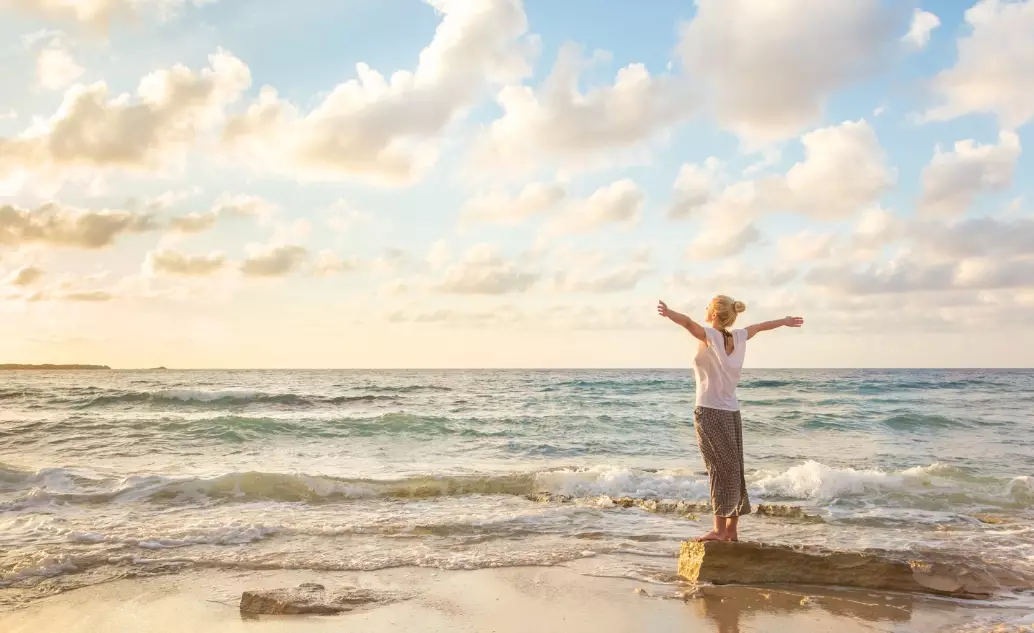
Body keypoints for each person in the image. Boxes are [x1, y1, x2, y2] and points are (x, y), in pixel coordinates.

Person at [657, 296, 803, 542]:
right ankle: (731, 531)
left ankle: (719, 530)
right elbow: (761, 326)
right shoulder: (739, 336)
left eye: (707, 307)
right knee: (734, 470)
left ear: (714, 313)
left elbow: (687, 323)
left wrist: (669, 312)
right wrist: (785, 321)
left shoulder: (710, 336)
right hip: (732, 412)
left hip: (709, 411)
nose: (704, 310)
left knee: (718, 470)